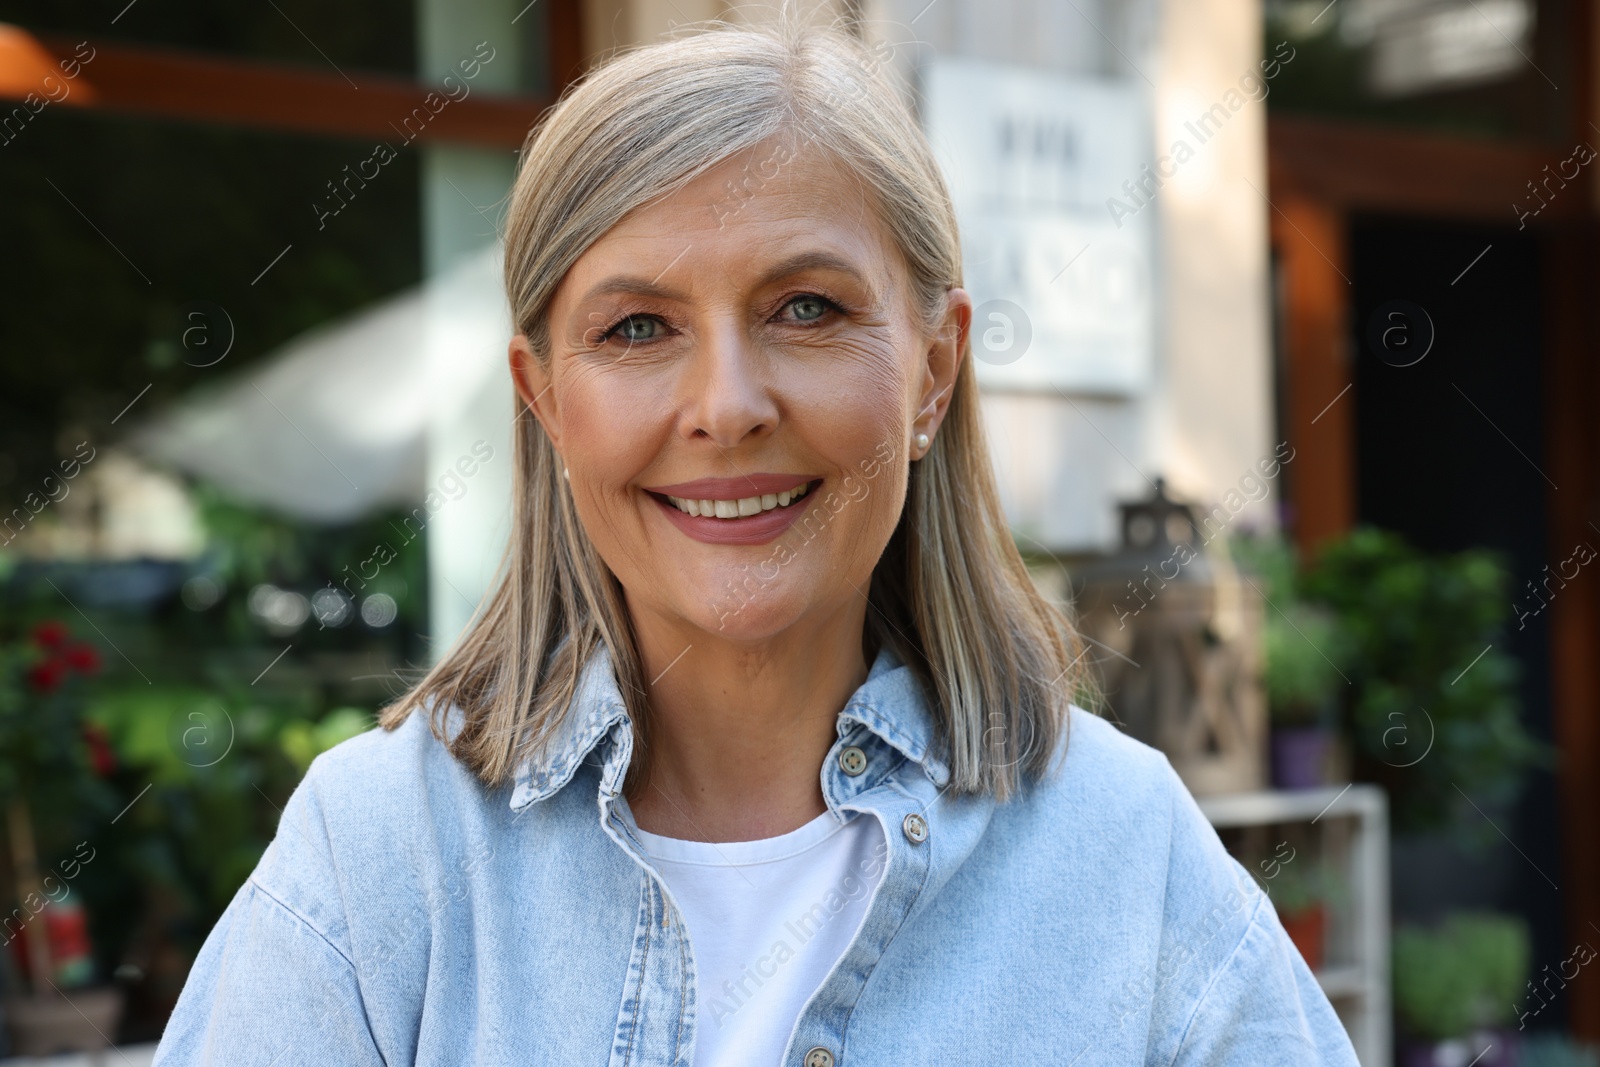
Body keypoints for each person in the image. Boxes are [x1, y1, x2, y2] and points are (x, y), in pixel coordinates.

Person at [154, 18, 1359, 1067]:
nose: (726, 404)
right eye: (636, 326)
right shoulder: (384, 857)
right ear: (543, 402)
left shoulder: (1121, 850)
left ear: (933, 370)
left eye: (806, 308)